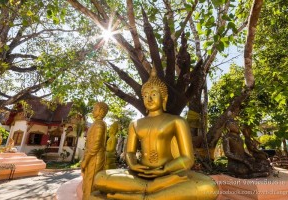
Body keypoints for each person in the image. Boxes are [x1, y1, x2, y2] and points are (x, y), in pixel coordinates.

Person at [92, 68, 218, 200]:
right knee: (100, 178)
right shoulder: (135, 124)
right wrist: (134, 165)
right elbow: (129, 153)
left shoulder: (176, 121)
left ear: (164, 97)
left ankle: (145, 196)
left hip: (170, 175)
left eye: (153, 94)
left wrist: (164, 169)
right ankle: (152, 193)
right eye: (145, 95)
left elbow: (187, 158)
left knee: (209, 187)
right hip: (140, 175)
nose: (149, 99)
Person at [81, 102, 109, 200]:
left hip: (95, 157)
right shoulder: (96, 124)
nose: (93, 111)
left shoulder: (99, 125)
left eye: (95, 109)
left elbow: (96, 145)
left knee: (91, 182)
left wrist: (86, 160)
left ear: (101, 111)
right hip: (91, 156)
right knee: (87, 182)